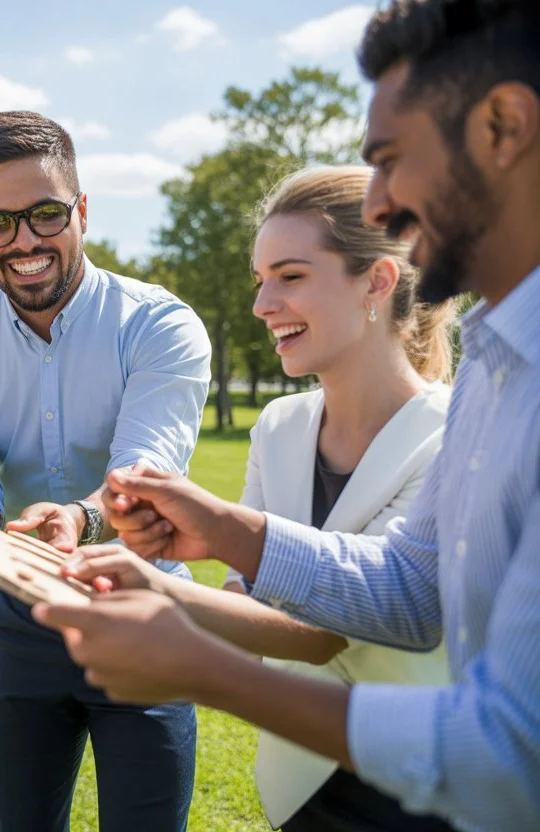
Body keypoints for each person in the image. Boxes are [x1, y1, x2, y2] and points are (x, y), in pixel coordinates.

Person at [33, 3, 540, 829]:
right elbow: (413, 593)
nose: (379, 204)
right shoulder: (497, 361)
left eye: (390, 160)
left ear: (504, 126)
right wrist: (221, 528)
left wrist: (201, 667)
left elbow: (512, 755)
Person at [69, 165, 457, 831]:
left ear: (377, 281)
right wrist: (139, 581)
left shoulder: (458, 433)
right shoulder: (279, 427)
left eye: (291, 275)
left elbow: (343, 625)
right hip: (299, 787)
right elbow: (250, 608)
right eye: (260, 280)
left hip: (428, 790)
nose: (261, 304)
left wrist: (209, 543)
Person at [0, 111, 212, 831]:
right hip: (22, 626)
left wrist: (80, 517)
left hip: (144, 620)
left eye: (45, 213)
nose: (23, 240)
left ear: (81, 211)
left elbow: (143, 474)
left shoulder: (159, 325)